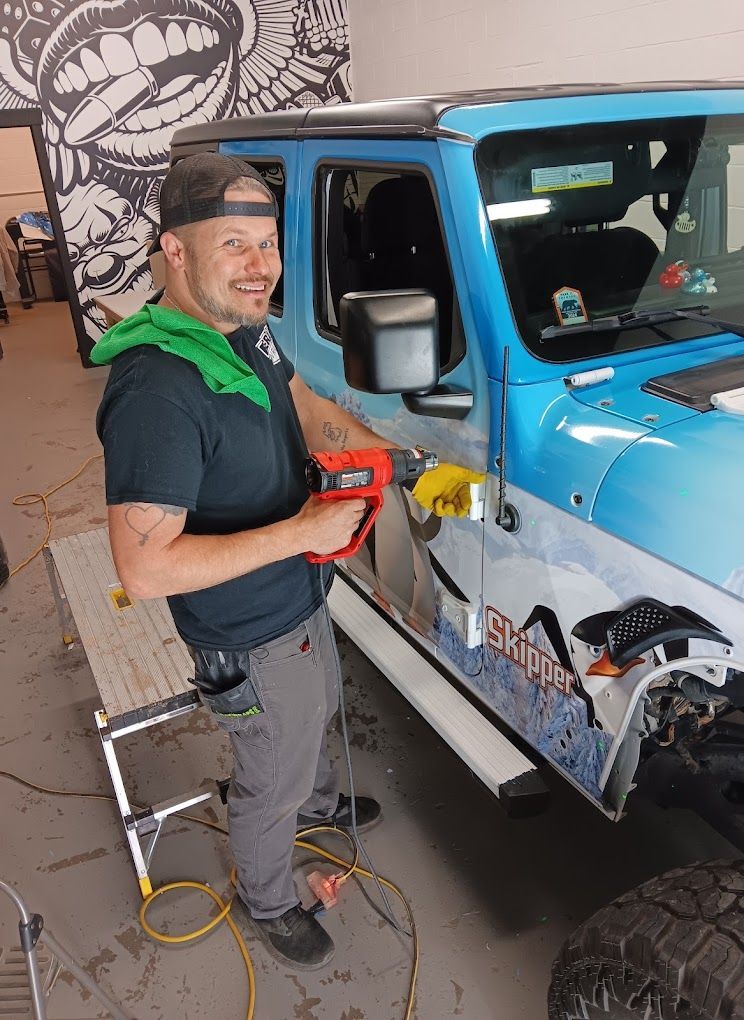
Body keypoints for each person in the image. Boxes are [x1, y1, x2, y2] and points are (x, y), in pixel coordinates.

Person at [93, 152, 481, 970]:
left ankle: (318, 802)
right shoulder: (159, 391)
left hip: (294, 597)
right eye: (233, 243)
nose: (259, 266)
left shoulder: (242, 329)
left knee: (315, 712)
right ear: (175, 249)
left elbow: (301, 406)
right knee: (269, 768)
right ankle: (268, 896)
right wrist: (301, 534)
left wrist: (401, 461)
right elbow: (145, 569)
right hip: (245, 627)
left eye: (267, 243)